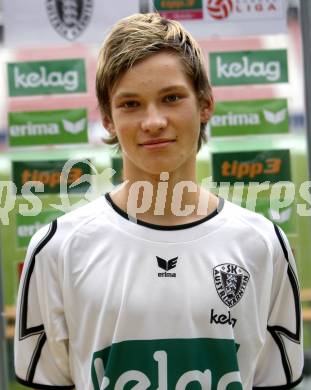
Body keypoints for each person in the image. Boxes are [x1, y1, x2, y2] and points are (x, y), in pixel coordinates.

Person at [14, 12, 303, 390]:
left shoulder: (264, 244)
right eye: (130, 104)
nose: (153, 121)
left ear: (205, 105)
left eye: (171, 98)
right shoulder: (57, 248)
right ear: (106, 118)